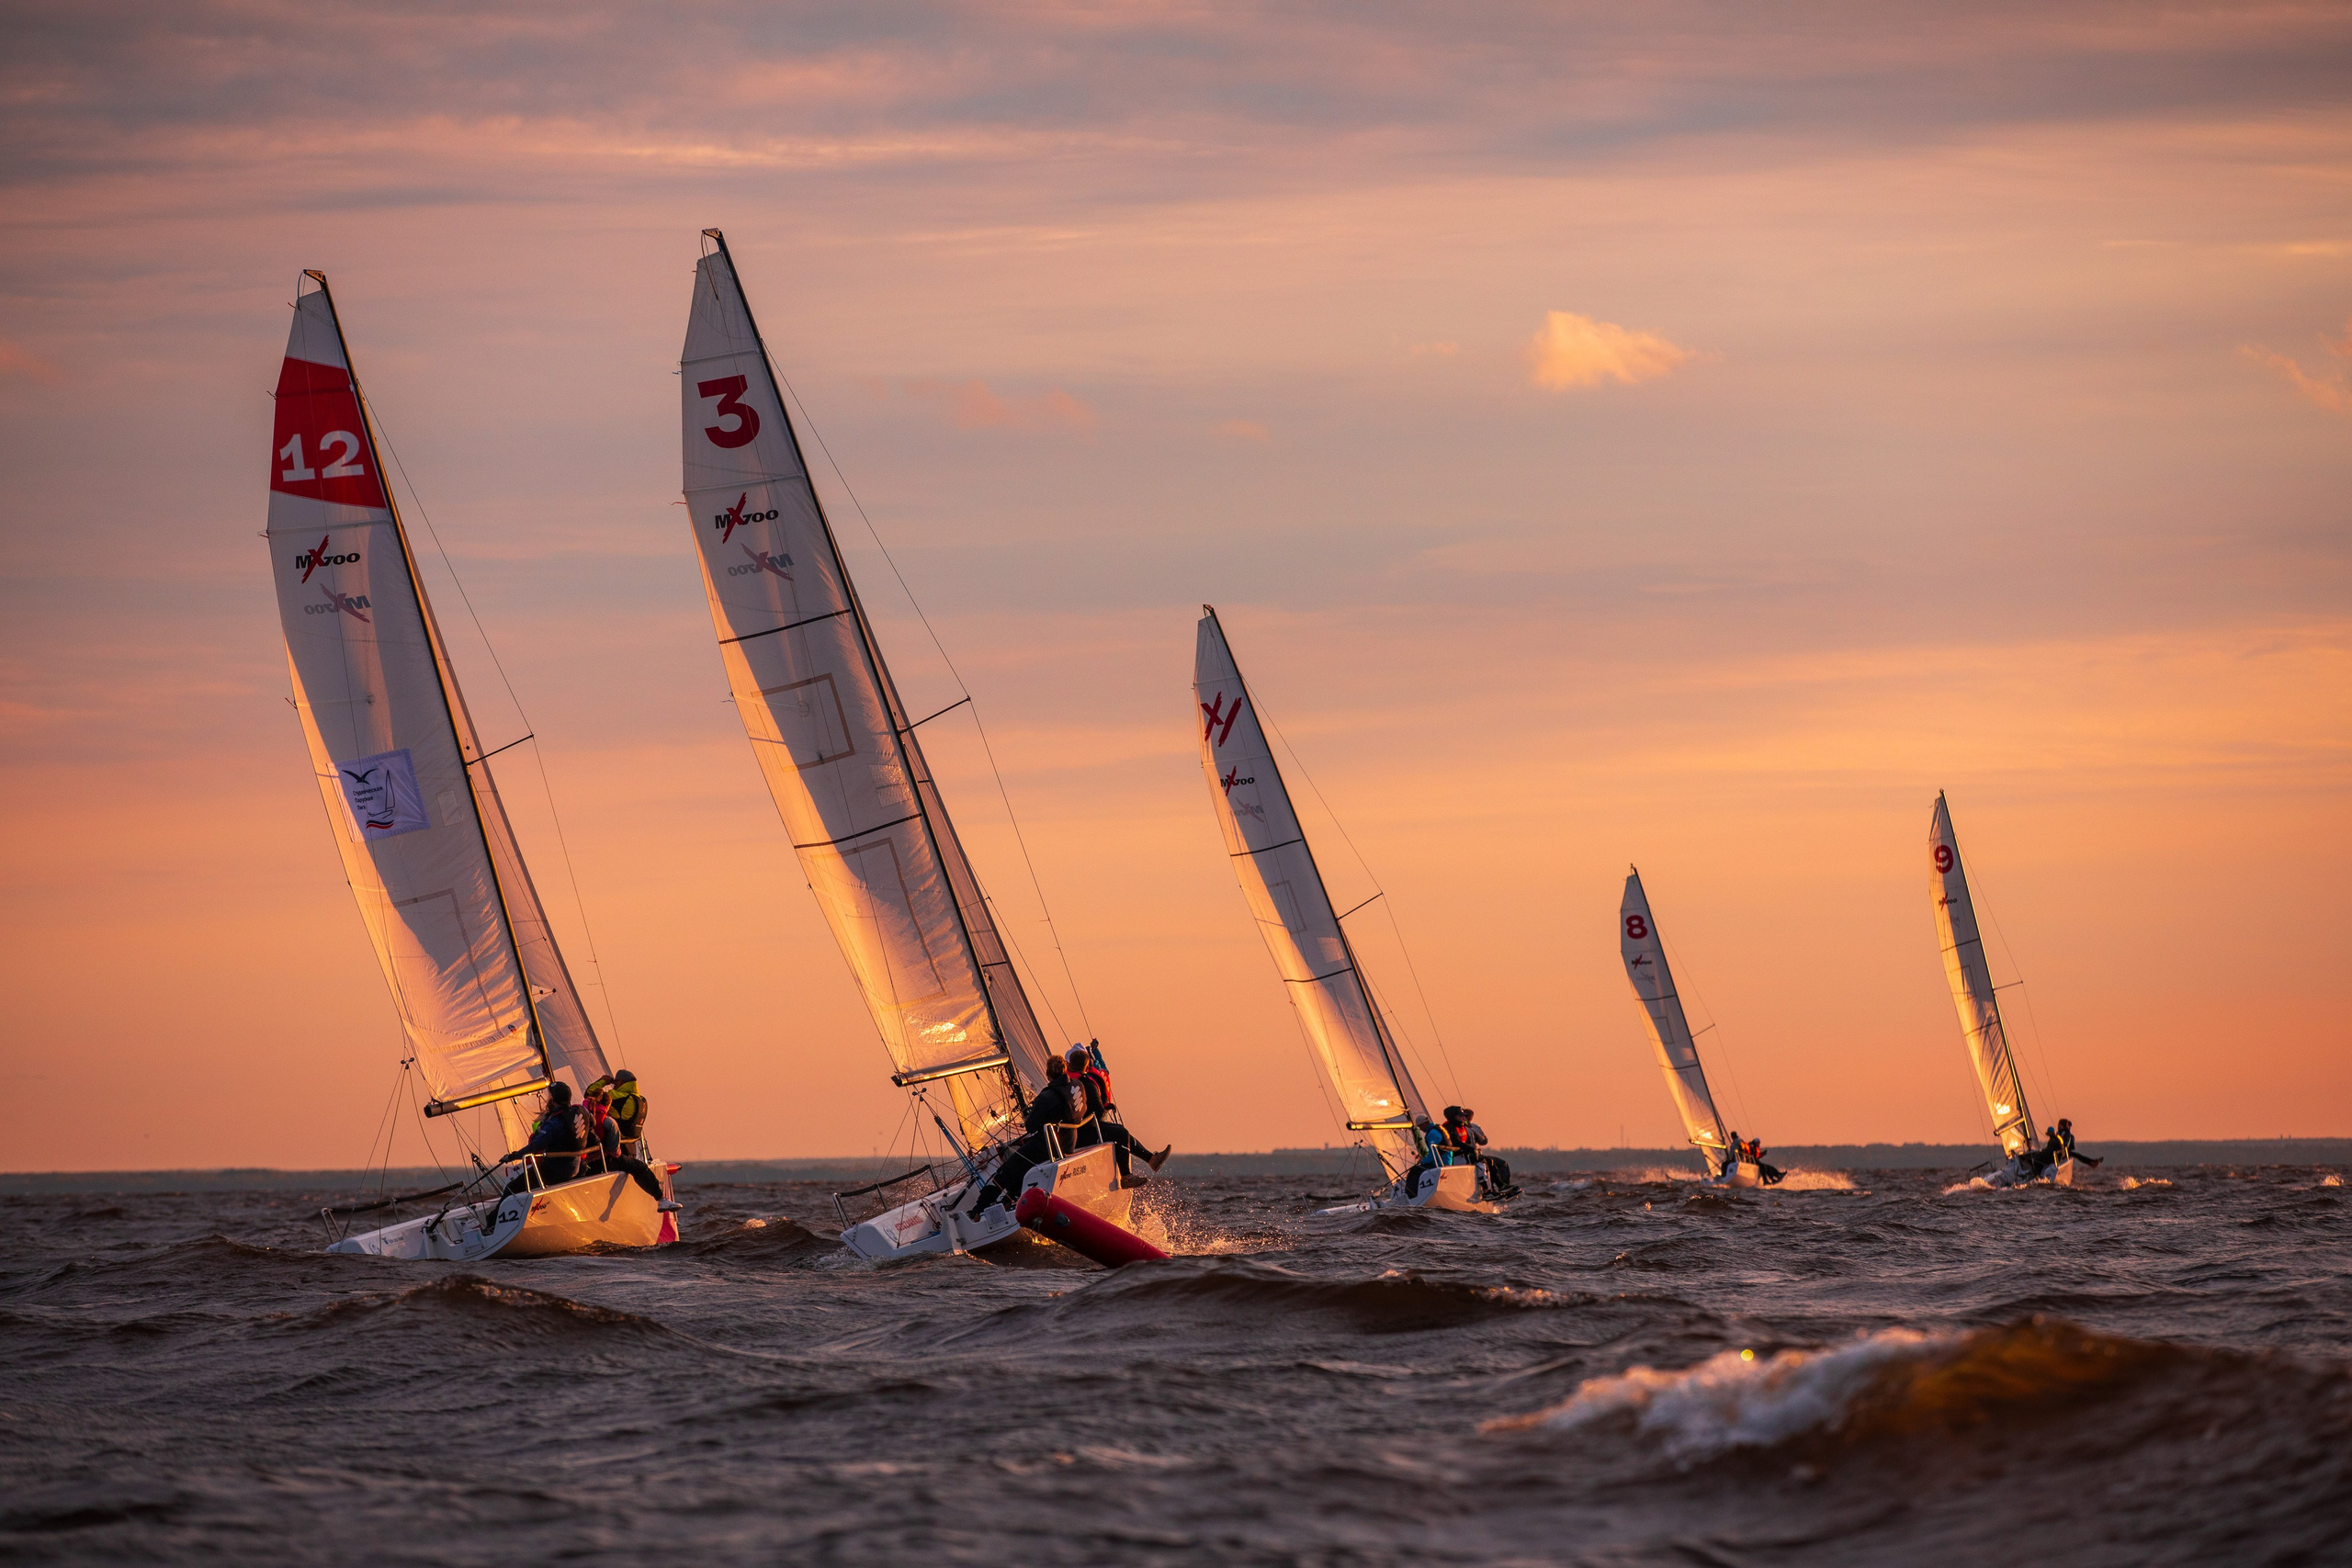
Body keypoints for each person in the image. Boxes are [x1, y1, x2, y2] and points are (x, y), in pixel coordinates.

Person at [969, 1056, 1092, 1213]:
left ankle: (977, 1210)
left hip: (1046, 1146)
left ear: (1048, 1073)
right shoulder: (1078, 1085)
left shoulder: (1047, 1097)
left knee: (1006, 1171)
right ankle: (1008, 1201)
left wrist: (1032, 1112)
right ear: (1065, 1068)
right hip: (1068, 1143)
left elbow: (1030, 1126)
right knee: (1022, 1166)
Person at [1066, 1043, 1169, 1182]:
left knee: (1120, 1131)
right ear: (1086, 1066)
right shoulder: (1087, 1084)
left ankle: (1151, 1159)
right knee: (1120, 1133)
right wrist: (1106, 1108)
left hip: (1071, 1132)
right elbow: (1098, 1111)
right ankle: (1126, 1176)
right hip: (1082, 1132)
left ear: (1069, 1065)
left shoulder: (1066, 1082)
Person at [583, 1082, 672, 1205]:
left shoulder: (581, 1114)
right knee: (640, 1167)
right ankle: (661, 1200)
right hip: (600, 1161)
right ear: (608, 1105)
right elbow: (615, 1152)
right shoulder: (609, 1121)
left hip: (581, 1162)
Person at [496, 1081, 587, 1194]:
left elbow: (534, 1146)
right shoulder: (582, 1112)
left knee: (511, 1188)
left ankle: (496, 1213)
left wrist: (512, 1156)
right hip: (575, 1166)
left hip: (556, 1170)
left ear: (553, 1099)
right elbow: (592, 1122)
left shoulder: (554, 1123)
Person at [1454, 1107, 1516, 1198]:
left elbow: (1484, 1142)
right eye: (1465, 1116)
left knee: (1503, 1164)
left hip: (1478, 1155)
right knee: (1488, 1163)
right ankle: (1491, 1189)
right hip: (1468, 1156)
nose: (1466, 1118)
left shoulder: (1475, 1127)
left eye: (1468, 1117)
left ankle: (1504, 1188)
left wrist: (1475, 1133)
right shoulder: (1458, 1129)